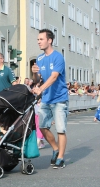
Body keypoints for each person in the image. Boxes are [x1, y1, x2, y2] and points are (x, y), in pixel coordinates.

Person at [32, 29, 69, 169]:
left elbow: (54, 77)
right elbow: (38, 79)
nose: (38, 42)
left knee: (60, 129)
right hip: (47, 99)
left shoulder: (58, 57)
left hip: (59, 98)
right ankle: (55, 148)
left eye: (41, 39)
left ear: (50, 40)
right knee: (42, 127)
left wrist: (40, 89)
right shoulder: (40, 59)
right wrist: (34, 73)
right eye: (38, 39)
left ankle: (60, 158)